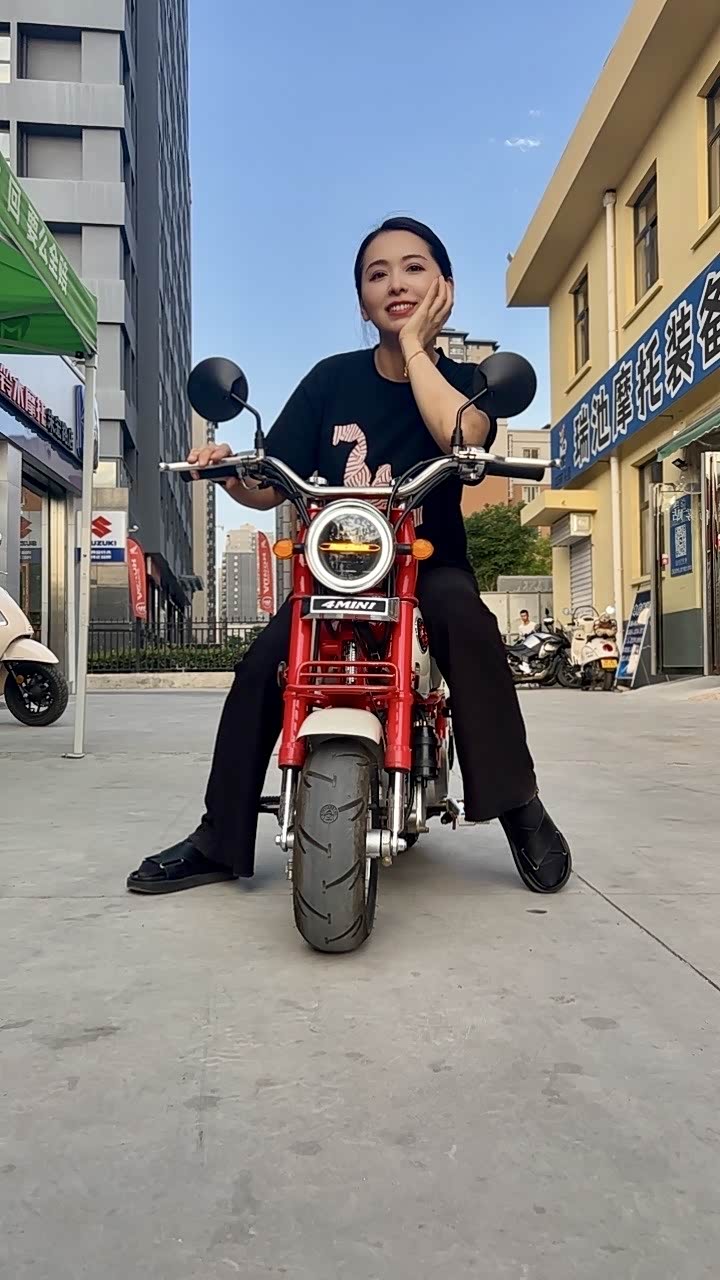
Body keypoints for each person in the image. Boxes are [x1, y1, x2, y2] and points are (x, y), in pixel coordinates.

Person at [127, 217, 571, 897]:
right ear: (362, 299)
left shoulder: (464, 381)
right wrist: (228, 471)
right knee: (260, 666)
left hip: (429, 569)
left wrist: (416, 348)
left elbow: (462, 438)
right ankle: (219, 837)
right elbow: (268, 483)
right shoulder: (329, 381)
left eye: (414, 267)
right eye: (376, 274)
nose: (395, 283)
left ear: (445, 286)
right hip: (334, 571)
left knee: (470, 627)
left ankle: (518, 804)